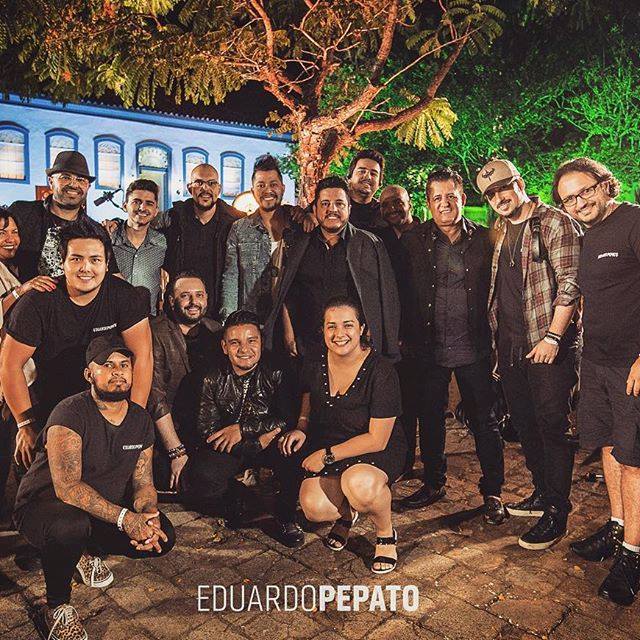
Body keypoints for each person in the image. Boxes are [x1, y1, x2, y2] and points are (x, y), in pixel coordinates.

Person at [13, 335, 175, 640]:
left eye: (124, 365)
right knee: (70, 526)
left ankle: (82, 552)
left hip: (96, 510)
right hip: (43, 508)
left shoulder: (140, 420)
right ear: (89, 374)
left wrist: (147, 515)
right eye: (107, 365)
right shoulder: (70, 413)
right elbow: (68, 488)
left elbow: (143, 482)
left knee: (164, 536)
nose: (118, 372)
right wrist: (125, 519)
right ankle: (55, 607)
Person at [478, 158, 581, 549]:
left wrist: (553, 337)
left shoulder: (554, 223)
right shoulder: (501, 229)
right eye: (490, 194)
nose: (499, 198)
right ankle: (542, 491)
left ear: (519, 183)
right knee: (525, 424)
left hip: (546, 343)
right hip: (510, 346)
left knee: (553, 425)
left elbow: (570, 283)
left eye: (503, 188)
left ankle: (557, 510)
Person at [553, 157, 640, 606]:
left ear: (606, 184)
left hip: (631, 366)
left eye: (585, 190)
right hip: (598, 362)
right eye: (569, 198)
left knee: (633, 459)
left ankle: (633, 556)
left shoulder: (634, 222)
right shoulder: (587, 236)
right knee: (608, 445)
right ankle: (617, 527)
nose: (579, 202)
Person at [0, 219, 152, 470]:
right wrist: (25, 424)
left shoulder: (125, 296)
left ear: (107, 264)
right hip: (48, 399)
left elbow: (143, 357)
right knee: (34, 468)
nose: (86, 268)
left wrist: (133, 418)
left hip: (105, 398)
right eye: (76, 259)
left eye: (95, 260)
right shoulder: (37, 302)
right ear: (62, 263)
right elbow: (10, 364)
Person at [398, 168, 505, 523]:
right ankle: (434, 482)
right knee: (430, 418)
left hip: (474, 346)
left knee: (485, 421)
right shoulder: (412, 241)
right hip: (428, 348)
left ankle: (493, 491)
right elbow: (401, 291)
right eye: (437, 198)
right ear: (428, 203)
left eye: (451, 196)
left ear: (463, 198)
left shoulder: (486, 239)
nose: (444, 203)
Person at [288, 297, 407, 573]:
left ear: (362, 328)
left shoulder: (382, 370)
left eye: (348, 325)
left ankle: (385, 534)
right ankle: (346, 515)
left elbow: (377, 439)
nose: (339, 334)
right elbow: (307, 392)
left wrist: (326, 456)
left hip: (376, 449)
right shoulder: (315, 359)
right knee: (313, 507)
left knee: (360, 485)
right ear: (323, 330)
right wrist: (302, 426)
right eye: (331, 326)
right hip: (333, 441)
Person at [186, 310, 305, 547]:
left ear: (261, 342)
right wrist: (254, 443)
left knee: (293, 451)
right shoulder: (211, 377)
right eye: (235, 343)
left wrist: (243, 428)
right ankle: (241, 500)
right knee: (200, 478)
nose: (244, 349)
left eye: (252, 341)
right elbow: (207, 429)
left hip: (269, 442)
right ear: (224, 347)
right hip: (233, 447)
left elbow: (287, 418)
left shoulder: (277, 370)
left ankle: (286, 517)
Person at [265, 175, 400, 362]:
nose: (332, 209)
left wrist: (372, 338)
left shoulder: (370, 244)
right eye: (325, 204)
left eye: (339, 204)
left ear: (349, 208)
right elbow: (287, 292)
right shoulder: (298, 243)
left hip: (354, 347)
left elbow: (386, 297)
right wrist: (289, 336)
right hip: (307, 347)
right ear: (315, 209)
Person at [0, 209, 57, 517]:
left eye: (14, 232)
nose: (10, 239)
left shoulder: (12, 267)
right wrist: (21, 291)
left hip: (22, 373)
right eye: (2, 233)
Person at [148, 271, 221, 491]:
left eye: (199, 295)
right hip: (167, 432)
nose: (193, 302)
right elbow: (156, 397)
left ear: (207, 298)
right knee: (175, 478)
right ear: (171, 301)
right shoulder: (155, 331)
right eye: (185, 296)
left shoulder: (216, 331)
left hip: (205, 431)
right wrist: (176, 451)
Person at [8, 150, 119, 280]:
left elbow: (112, 275)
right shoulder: (21, 213)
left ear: (88, 186)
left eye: (80, 180)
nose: (73, 184)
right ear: (51, 181)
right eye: (65, 177)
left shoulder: (97, 231)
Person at [158, 163, 244, 320]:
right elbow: (143, 225)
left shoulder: (236, 222)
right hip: (180, 313)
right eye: (199, 183)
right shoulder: (174, 217)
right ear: (189, 188)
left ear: (219, 189)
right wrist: (116, 223)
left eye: (211, 183)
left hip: (219, 313)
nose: (205, 188)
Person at [220, 154, 299, 322]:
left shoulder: (298, 227)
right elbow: (231, 279)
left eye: (273, 184)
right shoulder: (239, 229)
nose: (267, 190)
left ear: (283, 188)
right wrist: (229, 322)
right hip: (252, 321)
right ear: (253, 191)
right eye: (261, 185)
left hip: (293, 321)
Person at [377, 185, 419, 474]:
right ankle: (400, 461)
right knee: (396, 402)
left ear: (409, 203)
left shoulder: (426, 234)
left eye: (397, 202)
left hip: (423, 333)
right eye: (385, 205)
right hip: (392, 334)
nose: (392, 208)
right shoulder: (379, 239)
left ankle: (430, 470)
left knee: (421, 405)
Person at [111, 179, 167, 315]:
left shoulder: (163, 243)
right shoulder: (108, 239)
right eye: (136, 202)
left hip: (148, 318)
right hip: (111, 317)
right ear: (125, 206)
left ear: (156, 211)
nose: (142, 208)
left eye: (149, 203)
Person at [346, 149, 386, 232]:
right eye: (362, 171)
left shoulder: (384, 213)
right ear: (350, 178)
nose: (368, 177)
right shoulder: (334, 206)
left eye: (373, 174)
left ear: (379, 184)